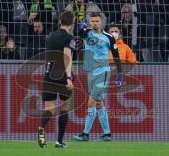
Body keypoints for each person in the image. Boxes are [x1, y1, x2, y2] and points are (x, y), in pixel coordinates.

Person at [72, 13, 124, 141]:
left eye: (97, 21)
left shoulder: (109, 37)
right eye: (92, 21)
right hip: (91, 72)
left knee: (91, 101)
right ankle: (107, 134)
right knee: (99, 103)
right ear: (90, 22)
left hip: (103, 72)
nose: (95, 23)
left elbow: (116, 55)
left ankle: (85, 134)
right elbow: (80, 34)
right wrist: (80, 27)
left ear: (101, 22)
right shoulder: (87, 33)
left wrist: (120, 73)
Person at [37, 11, 75, 148]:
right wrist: (69, 78)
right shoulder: (69, 38)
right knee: (64, 108)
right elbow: (67, 57)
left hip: (48, 74)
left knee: (49, 109)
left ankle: (41, 130)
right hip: (62, 75)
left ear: (60, 21)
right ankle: (59, 141)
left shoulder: (50, 36)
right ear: (71, 24)